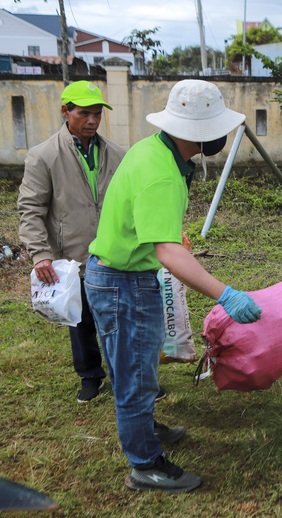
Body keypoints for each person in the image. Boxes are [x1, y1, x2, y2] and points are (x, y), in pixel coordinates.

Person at [84, 79, 262, 494]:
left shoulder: (153, 150)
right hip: (121, 284)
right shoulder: (161, 172)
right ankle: (145, 464)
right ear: (195, 133)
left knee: (141, 370)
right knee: (133, 378)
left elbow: (151, 226)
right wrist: (225, 294)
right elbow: (168, 253)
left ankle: (145, 427)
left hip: (124, 275)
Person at [18, 81, 127, 403]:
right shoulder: (44, 156)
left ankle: (127, 378)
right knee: (80, 322)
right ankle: (90, 376)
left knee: (119, 320)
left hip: (112, 254)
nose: (92, 121)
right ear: (65, 112)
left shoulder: (118, 154)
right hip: (72, 256)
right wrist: (40, 254)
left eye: (97, 114)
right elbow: (31, 208)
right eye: (84, 114)